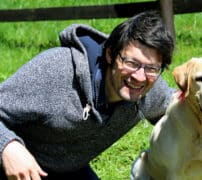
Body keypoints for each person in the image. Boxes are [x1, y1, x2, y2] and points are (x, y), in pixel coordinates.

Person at [0, 11, 174, 180]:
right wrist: (8, 147)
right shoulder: (57, 71)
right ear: (110, 55)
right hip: (14, 164)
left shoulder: (150, 90)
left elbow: (186, 106)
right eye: (131, 63)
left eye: (152, 68)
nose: (139, 76)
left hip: (68, 170)